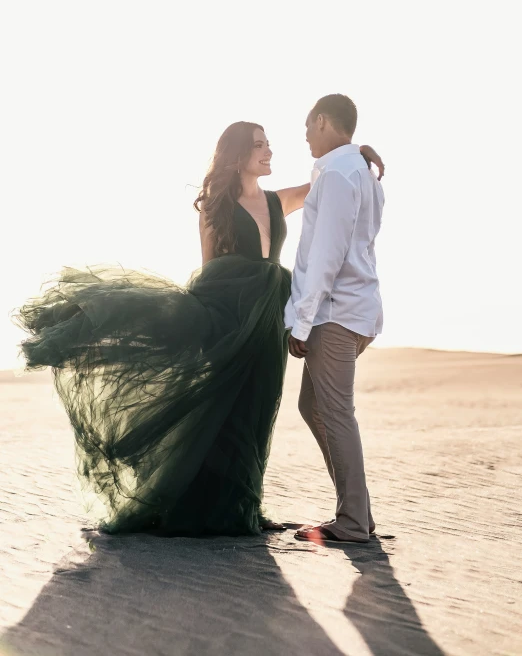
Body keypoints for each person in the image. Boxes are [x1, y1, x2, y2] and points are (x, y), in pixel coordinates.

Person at [15, 119, 383, 537]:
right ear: (238, 155)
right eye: (259, 146)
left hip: (267, 321)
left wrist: (359, 152)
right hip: (228, 314)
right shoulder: (215, 204)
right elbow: (210, 270)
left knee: (256, 414)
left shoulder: (277, 200)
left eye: (268, 144)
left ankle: (242, 505)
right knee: (222, 412)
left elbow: (329, 181)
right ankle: (206, 507)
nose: (268, 152)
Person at [285, 94, 385, 545]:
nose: (305, 135)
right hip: (351, 310)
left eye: (308, 126)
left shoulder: (342, 174)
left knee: (336, 411)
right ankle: (357, 511)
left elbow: (327, 255)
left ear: (323, 121)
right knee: (314, 406)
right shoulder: (355, 170)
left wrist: (302, 323)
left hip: (334, 314)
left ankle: (351, 521)